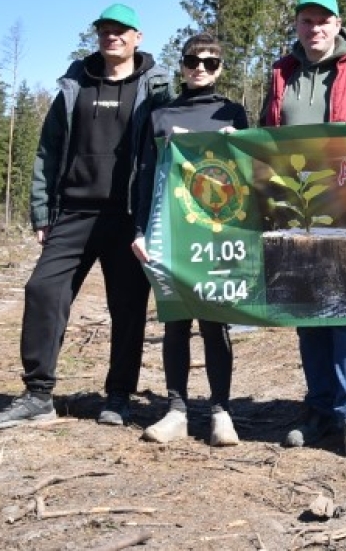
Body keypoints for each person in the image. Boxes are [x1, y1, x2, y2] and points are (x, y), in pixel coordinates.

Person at [0, 4, 171, 431]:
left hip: (127, 215)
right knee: (43, 290)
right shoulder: (75, 85)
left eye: (120, 31)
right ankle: (37, 395)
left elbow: (168, 151)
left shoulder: (156, 87)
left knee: (128, 308)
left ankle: (119, 396)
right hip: (74, 210)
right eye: (105, 30)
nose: (112, 37)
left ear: (137, 37)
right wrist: (41, 209)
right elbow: (48, 149)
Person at [262, 0, 346, 456]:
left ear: (338, 24)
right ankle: (318, 407)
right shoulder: (281, 72)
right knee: (305, 309)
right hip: (293, 205)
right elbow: (267, 132)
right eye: (306, 21)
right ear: (296, 26)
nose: (314, 28)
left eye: (323, 20)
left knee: (345, 310)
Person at [132, 33, 249, 446]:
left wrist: (239, 144)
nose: (200, 68)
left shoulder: (233, 112)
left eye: (210, 62)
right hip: (170, 231)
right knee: (176, 322)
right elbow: (144, 174)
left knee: (215, 323)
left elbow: (248, 176)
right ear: (180, 64)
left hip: (216, 231)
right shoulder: (160, 115)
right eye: (192, 60)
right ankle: (177, 410)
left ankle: (221, 411)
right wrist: (140, 230)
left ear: (221, 68)